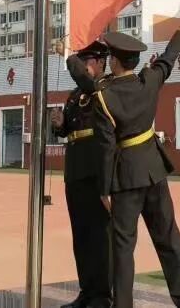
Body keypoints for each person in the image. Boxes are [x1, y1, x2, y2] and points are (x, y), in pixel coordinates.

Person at [92, 0, 180, 308]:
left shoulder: (104, 98)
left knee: (123, 247)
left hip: (125, 178)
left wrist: (104, 189)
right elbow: (168, 58)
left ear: (115, 61)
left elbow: (105, 148)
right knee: (169, 239)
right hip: (154, 170)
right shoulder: (149, 81)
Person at [51, 40, 112, 308]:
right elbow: (69, 130)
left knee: (100, 236)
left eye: (86, 61)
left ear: (100, 63)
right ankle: (87, 291)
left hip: (96, 169)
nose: (83, 66)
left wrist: (67, 54)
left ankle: (103, 295)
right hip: (76, 169)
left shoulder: (105, 88)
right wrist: (59, 125)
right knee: (81, 235)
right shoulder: (76, 94)